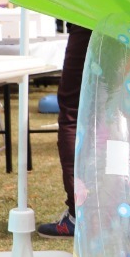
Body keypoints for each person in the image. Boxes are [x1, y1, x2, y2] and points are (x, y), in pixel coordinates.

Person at [37, 25, 90, 238]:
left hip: (89, 16)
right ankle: (111, 210)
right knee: (112, 108)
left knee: (73, 113)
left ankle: (78, 215)